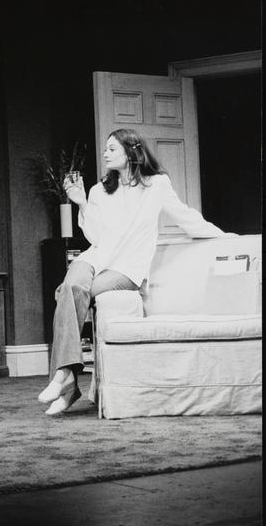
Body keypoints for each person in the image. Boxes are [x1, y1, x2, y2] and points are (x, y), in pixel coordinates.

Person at [38, 128, 235, 416]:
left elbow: (185, 217)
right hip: (95, 258)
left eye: (112, 149)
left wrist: (224, 237)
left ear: (132, 151)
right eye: (106, 149)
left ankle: (66, 381)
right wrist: (81, 203)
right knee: (70, 287)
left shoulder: (156, 185)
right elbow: (95, 237)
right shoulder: (99, 190)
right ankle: (65, 375)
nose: (105, 154)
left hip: (126, 268)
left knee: (64, 293)